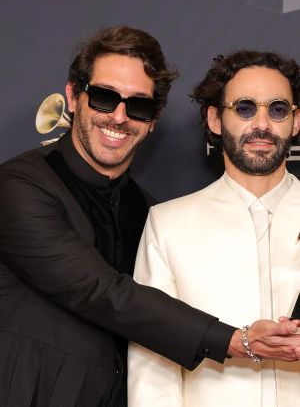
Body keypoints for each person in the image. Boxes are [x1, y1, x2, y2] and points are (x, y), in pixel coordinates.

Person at [0, 31, 299, 407]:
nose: (119, 116)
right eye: (105, 97)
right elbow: (100, 291)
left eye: (139, 106)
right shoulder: (18, 185)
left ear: (153, 120)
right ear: (74, 98)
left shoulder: (146, 209)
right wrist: (237, 340)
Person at [128, 50, 300, 407]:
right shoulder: (168, 224)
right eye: (245, 108)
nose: (263, 124)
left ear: (296, 122)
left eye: (278, 109)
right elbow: (153, 364)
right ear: (215, 119)